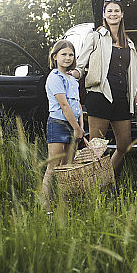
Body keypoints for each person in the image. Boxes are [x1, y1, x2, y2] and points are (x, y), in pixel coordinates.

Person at [70, 0, 137, 172]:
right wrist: (71, 74)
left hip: (121, 99)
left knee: (124, 146)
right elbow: (81, 65)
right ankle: (93, 185)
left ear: (122, 14)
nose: (113, 14)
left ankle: (106, 179)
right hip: (99, 96)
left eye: (116, 11)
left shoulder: (128, 43)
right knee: (96, 148)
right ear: (104, 14)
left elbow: (130, 78)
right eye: (109, 11)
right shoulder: (96, 37)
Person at [41, 39, 84, 211]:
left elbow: (77, 104)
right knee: (54, 166)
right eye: (63, 54)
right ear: (55, 56)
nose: (67, 58)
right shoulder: (54, 77)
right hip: (59, 124)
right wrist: (76, 128)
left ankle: (64, 203)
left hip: (74, 125)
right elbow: (64, 105)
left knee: (68, 166)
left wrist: (80, 125)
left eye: (70, 55)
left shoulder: (72, 78)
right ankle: (45, 204)